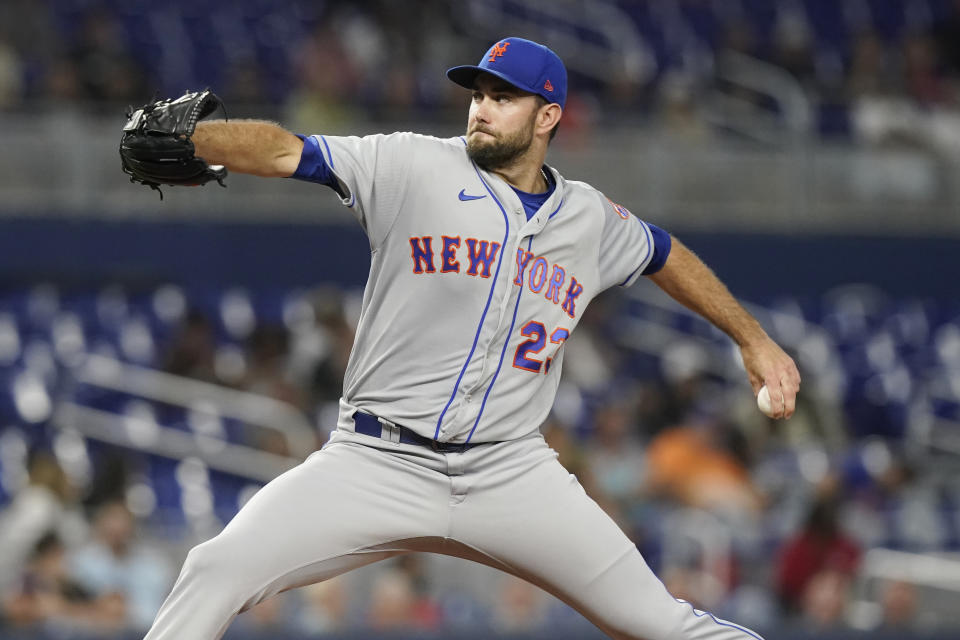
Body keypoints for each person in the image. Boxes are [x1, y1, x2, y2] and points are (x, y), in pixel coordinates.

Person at [140, 37, 800, 640]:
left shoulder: (590, 220)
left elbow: (662, 252)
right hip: (376, 461)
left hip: (509, 473)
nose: (481, 108)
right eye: (478, 93)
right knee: (215, 569)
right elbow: (289, 150)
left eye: (503, 96)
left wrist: (753, 340)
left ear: (547, 117)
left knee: (664, 625)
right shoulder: (409, 164)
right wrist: (203, 141)